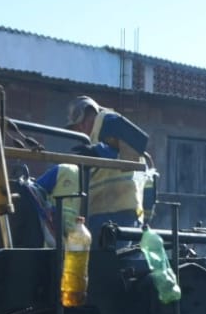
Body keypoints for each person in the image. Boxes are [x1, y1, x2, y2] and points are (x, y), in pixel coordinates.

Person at [62, 95, 152, 229]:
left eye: (82, 123)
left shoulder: (107, 120)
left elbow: (136, 143)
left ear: (91, 113)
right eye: (76, 127)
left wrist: (100, 151)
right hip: (99, 213)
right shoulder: (91, 142)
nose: (80, 128)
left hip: (121, 211)